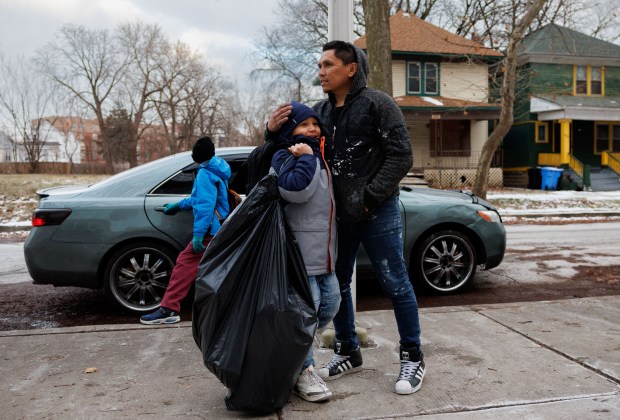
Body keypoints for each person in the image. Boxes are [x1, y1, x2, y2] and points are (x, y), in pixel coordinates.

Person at [267, 40, 425, 395]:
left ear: (350, 69)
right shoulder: (320, 113)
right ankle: (348, 349)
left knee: (395, 282)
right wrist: (270, 131)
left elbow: (401, 157)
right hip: (337, 218)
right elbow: (285, 149)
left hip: (377, 211)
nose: (320, 72)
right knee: (336, 287)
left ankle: (413, 356)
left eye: (327, 65)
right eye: (320, 66)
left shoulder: (378, 104)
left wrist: (368, 198)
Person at [270, 101, 340, 403]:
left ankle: (295, 348)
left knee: (331, 304)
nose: (312, 129)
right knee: (306, 312)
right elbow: (295, 191)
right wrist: (308, 159)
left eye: (315, 123)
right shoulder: (285, 156)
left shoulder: (319, 155)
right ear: (290, 130)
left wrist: (313, 157)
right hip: (299, 254)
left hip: (324, 254)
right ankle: (304, 371)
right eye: (303, 124)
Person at [140, 136, 231, 325]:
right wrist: (178, 205)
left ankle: (169, 309)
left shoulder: (205, 174)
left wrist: (199, 235)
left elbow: (205, 206)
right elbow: (199, 199)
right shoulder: (217, 169)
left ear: (195, 156)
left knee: (184, 264)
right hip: (218, 227)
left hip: (209, 231)